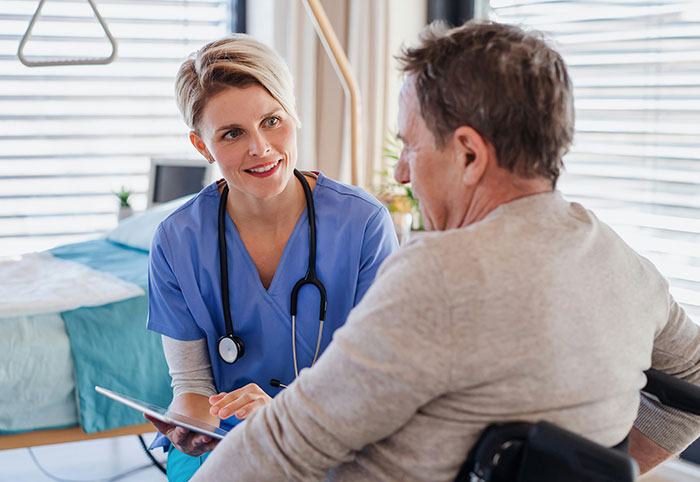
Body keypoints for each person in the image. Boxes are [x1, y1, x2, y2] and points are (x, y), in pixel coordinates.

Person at [189, 21, 700, 481]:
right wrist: (605, 473)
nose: (401, 173)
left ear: (469, 155)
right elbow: (694, 390)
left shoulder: (437, 275)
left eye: (411, 145)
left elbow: (282, 446)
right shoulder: (619, 262)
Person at [143, 34, 399, 481]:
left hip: (331, 439)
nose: (260, 148)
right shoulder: (177, 239)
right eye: (232, 133)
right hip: (223, 446)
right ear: (202, 146)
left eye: (272, 120)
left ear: (293, 114)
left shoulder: (363, 224)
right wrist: (190, 427)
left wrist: (280, 418)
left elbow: (377, 389)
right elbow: (192, 387)